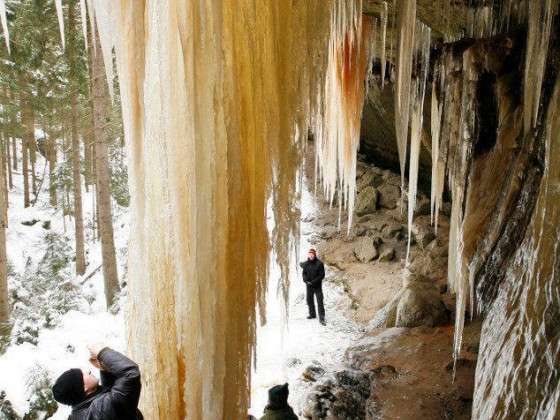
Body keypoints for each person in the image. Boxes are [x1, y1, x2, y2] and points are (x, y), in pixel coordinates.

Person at [52, 345, 143, 419]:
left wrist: (105, 370)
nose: (87, 371)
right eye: (82, 374)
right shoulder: (101, 411)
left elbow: (112, 398)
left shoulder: (79, 413)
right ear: (84, 387)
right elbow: (130, 373)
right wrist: (102, 352)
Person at [299, 248, 326, 325]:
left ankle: (322, 317)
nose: (310, 256)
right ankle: (312, 314)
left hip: (317, 286)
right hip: (309, 286)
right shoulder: (306, 264)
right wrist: (305, 280)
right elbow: (304, 273)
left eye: (312, 254)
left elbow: (322, 275)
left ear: (314, 255)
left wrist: (313, 282)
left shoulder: (319, 263)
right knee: (309, 300)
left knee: (320, 301)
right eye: (309, 254)